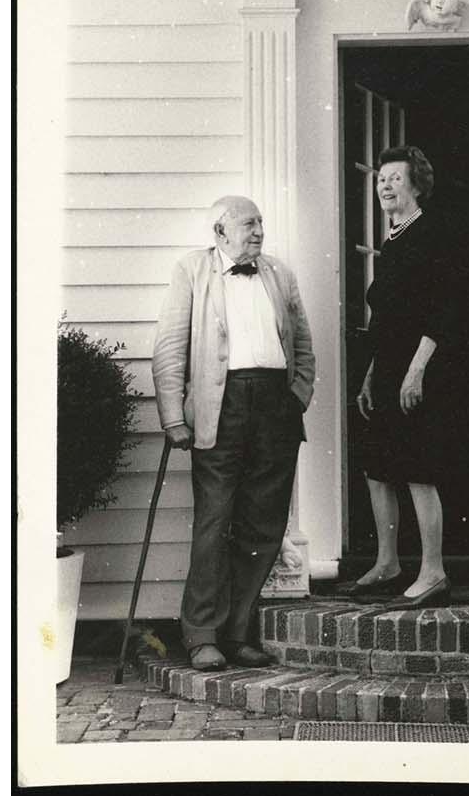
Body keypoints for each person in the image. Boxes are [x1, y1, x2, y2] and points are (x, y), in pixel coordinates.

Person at [152, 196, 316, 671]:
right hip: (219, 407)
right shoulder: (191, 270)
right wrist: (173, 417)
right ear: (220, 232)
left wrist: (297, 396)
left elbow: (302, 342)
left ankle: (238, 633)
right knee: (214, 519)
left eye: (260, 222)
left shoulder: (279, 273)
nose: (259, 230)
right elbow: (169, 346)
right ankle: (202, 635)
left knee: (264, 522)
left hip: (275, 404)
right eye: (248, 223)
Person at [346, 145, 463, 610]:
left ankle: (433, 573)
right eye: (381, 179)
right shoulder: (393, 240)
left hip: (420, 367)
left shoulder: (430, 234)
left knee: (418, 469)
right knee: (378, 468)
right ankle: (388, 563)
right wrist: (371, 375)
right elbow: (386, 319)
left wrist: (416, 370)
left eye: (395, 178)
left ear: (417, 185)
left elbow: (445, 310)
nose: (385, 185)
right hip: (389, 368)